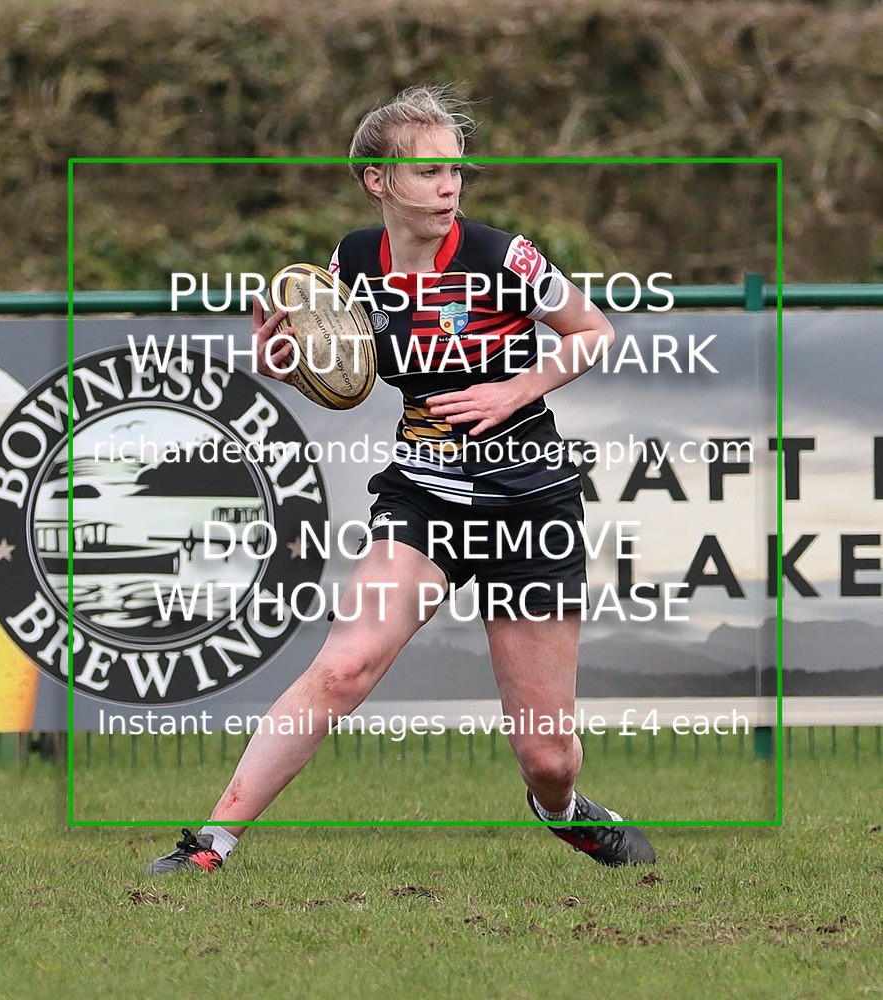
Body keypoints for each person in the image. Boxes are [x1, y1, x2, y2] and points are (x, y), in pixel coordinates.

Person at [146, 86, 655, 874]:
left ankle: (562, 812)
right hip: (423, 493)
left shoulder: (500, 256)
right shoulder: (350, 262)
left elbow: (594, 330)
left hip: (529, 502)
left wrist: (515, 389)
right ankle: (210, 843)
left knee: (548, 757)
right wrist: (284, 368)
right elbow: (337, 368)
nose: (448, 187)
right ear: (378, 181)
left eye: (456, 171)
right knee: (345, 664)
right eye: (426, 173)